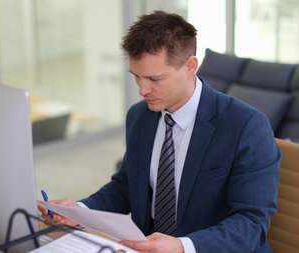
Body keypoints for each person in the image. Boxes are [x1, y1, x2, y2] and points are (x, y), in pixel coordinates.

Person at [39, 10, 280, 253]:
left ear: (190, 66)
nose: (143, 90)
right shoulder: (140, 116)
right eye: (136, 77)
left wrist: (182, 247)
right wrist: (81, 212)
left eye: (155, 79)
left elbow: (252, 223)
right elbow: (125, 187)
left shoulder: (246, 126)